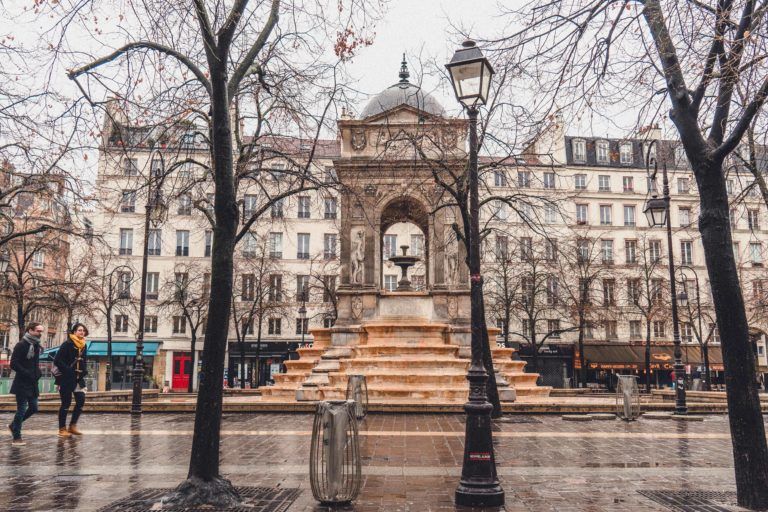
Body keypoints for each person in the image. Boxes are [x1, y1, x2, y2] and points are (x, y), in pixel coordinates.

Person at [8, 323, 44, 446]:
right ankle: (16, 437)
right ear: (30, 330)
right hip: (22, 382)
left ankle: (14, 425)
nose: (40, 333)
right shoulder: (21, 345)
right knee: (22, 410)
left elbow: (35, 363)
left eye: (41, 331)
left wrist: (37, 372)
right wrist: (27, 372)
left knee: (34, 408)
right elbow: (13, 363)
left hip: (32, 382)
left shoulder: (36, 345)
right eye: (38, 331)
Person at [54, 323, 89, 438]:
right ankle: (62, 429)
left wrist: (84, 370)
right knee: (66, 403)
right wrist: (68, 370)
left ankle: (73, 426)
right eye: (79, 330)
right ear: (74, 332)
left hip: (79, 379)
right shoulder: (67, 344)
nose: (82, 332)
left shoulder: (84, 345)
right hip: (66, 379)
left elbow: (84, 360)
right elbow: (57, 360)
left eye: (83, 330)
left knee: (81, 401)